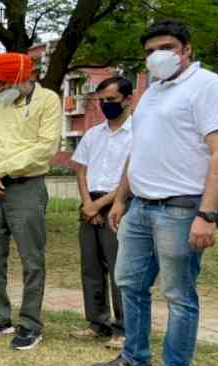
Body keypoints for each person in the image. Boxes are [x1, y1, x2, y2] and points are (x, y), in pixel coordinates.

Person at [92, 20, 218, 366]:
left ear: (186, 49)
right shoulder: (152, 92)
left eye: (167, 47)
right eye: (151, 51)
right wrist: (121, 198)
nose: (158, 56)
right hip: (139, 207)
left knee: (178, 294)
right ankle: (135, 357)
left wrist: (208, 214)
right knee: (130, 283)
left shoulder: (209, 88)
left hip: (181, 208)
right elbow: (137, 151)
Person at [0, 52, 62, 350]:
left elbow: (45, 148)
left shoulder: (48, 100)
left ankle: (31, 324)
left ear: (23, 78)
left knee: (31, 259)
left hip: (26, 187)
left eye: (1, 83)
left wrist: (1, 169)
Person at [70, 76, 134, 349]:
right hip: (90, 205)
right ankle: (98, 322)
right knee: (91, 267)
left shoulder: (138, 133)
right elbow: (81, 170)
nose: (106, 105)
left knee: (121, 269)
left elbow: (131, 175)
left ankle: (124, 328)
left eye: (112, 100)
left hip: (119, 204)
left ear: (128, 99)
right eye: (102, 101)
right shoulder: (93, 134)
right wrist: (88, 204)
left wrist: (101, 205)